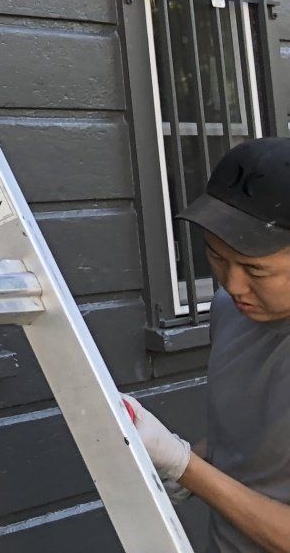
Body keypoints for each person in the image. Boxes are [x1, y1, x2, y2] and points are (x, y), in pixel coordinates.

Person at [124, 139, 290, 552]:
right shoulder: (229, 311)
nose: (233, 285)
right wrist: (184, 458)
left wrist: (185, 467)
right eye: (217, 257)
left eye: (255, 269)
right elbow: (252, 435)